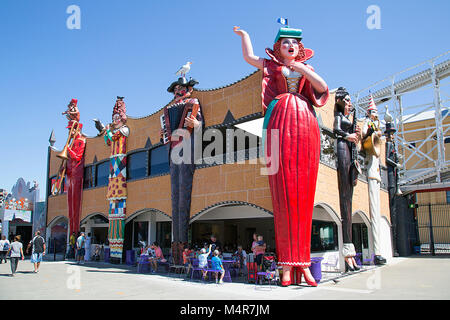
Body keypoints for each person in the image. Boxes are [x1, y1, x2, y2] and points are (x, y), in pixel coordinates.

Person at [234, 24, 328, 287]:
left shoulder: (304, 69)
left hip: (305, 122)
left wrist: (302, 69)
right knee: (283, 194)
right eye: (285, 42)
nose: (290, 45)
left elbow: (322, 87)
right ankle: (287, 266)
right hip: (279, 120)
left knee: (304, 196)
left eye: (294, 43)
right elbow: (249, 58)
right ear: (278, 47)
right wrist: (245, 36)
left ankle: (304, 265)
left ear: (300, 48)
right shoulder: (272, 66)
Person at [162, 75, 204, 265]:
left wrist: (196, 124)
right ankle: (176, 244)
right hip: (174, 150)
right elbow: (165, 132)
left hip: (187, 148)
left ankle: (182, 245)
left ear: (189, 88)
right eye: (176, 89)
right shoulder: (169, 110)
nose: (179, 91)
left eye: (182, 88)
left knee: (183, 193)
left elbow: (200, 125)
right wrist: (164, 134)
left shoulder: (193, 103)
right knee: (174, 194)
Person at [333, 87, 361, 272]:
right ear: (341, 100)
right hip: (342, 150)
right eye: (348, 100)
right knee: (345, 199)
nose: (350, 103)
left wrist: (355, 131)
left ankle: (351, 254)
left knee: (349, 200)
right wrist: (348, 134)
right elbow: (336, 129)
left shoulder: (349, 117)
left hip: (349, 152)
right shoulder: (338, 116)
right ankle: (348, 256)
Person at [102, 97, 129, 264]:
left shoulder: (125, 130)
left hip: (120, 165)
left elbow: (111, 138)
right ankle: (114, 251)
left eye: (117, 117)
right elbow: (107, 141)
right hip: (114, 168)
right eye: (114, 118)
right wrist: (106, 132)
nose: (115, 120)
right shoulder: (115, 131)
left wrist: (106, 131)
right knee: (113, 207)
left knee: (118, 207)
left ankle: (117, 252)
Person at [361, 99, 386, 265]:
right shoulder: (368, 123)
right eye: (373, 112)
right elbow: (364, 133)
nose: (375, 115)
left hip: (376, 173)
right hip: (369, 171)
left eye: (376, 113)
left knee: (378, 213)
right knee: (373, 213)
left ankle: (379, 251)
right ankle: (377, 253)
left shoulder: (378, 126)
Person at [63, 99, 87, 237]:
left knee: (75, 206)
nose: (70, 133)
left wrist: (68, 150)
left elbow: (78, 156)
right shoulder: (72, 142)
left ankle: (75, 231)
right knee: (70, 206)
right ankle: (71, 231)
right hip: (71, 175)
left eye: (71, 130)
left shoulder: (80, 140)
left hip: (77, 174)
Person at [385, 120, 402, 257]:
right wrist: (395, 163)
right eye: (390, 133)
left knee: (394, 209)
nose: (392, 136)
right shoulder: (388, 144)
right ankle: (394, 247)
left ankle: (395, 247)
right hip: (389, 178)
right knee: (392, 209)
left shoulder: (393, 145)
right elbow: (386, 159)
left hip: (394, 177)